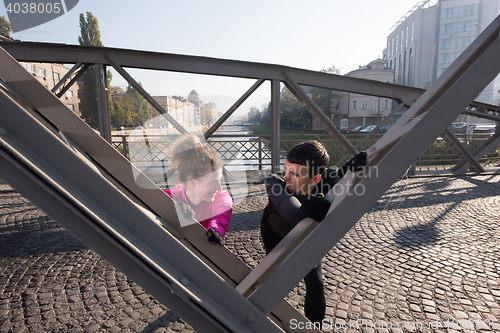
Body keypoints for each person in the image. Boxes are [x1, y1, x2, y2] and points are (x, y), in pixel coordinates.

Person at [260, 140, 367, 324]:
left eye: (294, 174)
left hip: (305, 235)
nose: (286, 177)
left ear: (316, 178)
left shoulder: (325, 179)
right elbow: (286, 203)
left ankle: (314, 328)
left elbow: (339, 175)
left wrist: (352, 170)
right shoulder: (274, 181)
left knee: (316, 284)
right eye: (286, 169)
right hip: (275, 235)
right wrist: (300, 213)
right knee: (274, 282)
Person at [165, 135, 233, 245]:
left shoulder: (222, 198)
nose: (219, 188)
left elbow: (220, 217)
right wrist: (173, 210)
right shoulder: (169, 198)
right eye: (213, 182)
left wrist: (215, 230)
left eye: (219, 180)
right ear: (192, 182)